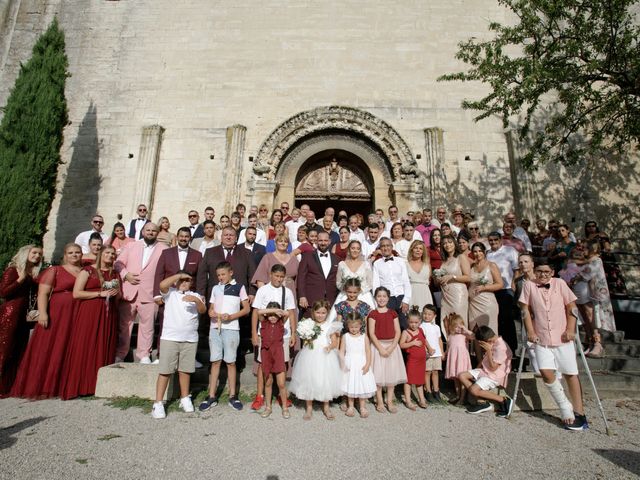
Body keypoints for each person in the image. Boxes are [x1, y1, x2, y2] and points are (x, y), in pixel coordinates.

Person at [519, 259, 588, 430]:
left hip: (562, 336)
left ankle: (579, 413)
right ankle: (565, 407)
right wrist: (530, 331)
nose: (543, 275)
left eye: (546, 272)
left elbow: (572, 307)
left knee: (570, 373)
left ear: (552, 272)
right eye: (540, 271)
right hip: (541, 337)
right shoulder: (529, 285)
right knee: (545, 372)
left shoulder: (560, 284)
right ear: (535, 271)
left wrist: (571, 329)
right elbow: (525, 310)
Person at [11, 244, 82, 399]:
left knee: (68, 346)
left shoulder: (84, 271)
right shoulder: (55, 270)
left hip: (77, 314)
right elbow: (43, 293)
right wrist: (43, 313)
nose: (74, 255)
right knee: (51, 346)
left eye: (77, 252)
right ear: (65, 255)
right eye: (71, 253)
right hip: (58, 313)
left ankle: (63, 384)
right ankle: (43, 385)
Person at [59, 246, 120, 400]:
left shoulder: (115, 274)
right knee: (86, 344)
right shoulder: (87, 271)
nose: (110, 255)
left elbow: (118, 295)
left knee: (103, 344)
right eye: (107, 253)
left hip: (108, 313)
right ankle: (80, 385)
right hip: (90, 312)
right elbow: (76, 293)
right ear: (100, 254)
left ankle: (98, 385)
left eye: (113, 254)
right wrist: (100, 293)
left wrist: (115, 293)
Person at [151, 272, 206, 419]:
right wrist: (178, 276)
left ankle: (184, 397)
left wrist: (196, 300)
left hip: (189, 339)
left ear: (192, 283)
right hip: (170, 338)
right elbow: (162, 285)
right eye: (181, 280)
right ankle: (158, 402)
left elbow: (203, 310)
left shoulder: (196, 295)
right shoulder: (171, 293)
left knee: (185, 370)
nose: (184, 283)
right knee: (165, 371)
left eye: (187, 281)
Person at [199, 262, 250, 412]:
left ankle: (233, 396)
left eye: (223, 274)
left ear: (231, 273)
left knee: (231, 362)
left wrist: (232, 316)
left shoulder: (239, 287)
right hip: (215, 329)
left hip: (232, 329)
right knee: (215, 361)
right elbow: (210, 309)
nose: (221, 277)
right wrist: (211, 313)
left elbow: (246, 309)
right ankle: (211, 395)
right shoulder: (215, 288)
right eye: (218, 275)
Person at [115, 222, 168, 363]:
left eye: (153, 231)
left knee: (148, 327)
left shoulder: (164, 249)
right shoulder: (131, 246)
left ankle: (144, 354)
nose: (150, 232)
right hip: (129, 292)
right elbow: (118, 263)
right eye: (148, 230)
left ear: (157, 233)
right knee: (124, 325)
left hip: (150, 294)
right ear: (143, 231)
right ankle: (120, 353)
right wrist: (126, 275)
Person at [250, 264, 297, 411]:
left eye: (281, 277)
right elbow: (255, 312)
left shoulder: (287, 292)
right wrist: (253, 333)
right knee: (262, 364)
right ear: (271, 275)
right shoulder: (263, 290)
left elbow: (291, 312)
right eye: (276, 276)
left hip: (283, 332)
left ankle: (280, 394)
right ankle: (260, 395)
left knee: (282, 364)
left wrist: (293, 333)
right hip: (264, 332)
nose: (279, 279)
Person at [288, 300, 343, 420]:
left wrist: (330, 347)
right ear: (313, 312)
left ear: (327, 313)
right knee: (309, 380)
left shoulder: (330, 325)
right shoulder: (308, 325)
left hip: (326, 356)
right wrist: (307, 338)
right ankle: (309, 408)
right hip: (310, 355)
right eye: (318, 312)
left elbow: (334, 342)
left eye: (323, 313)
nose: (320, 315)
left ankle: (326, 408)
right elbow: (306, 341)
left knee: (325, 381)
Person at [0, 245, 43, 394]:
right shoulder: (13, 270)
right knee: (4, 349)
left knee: (19, 350)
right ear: (26, 253)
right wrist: (20, 279)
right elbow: (4, 292)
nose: (37, 256)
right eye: (34, 252)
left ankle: (9, 387)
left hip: (24, 317)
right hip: (10, 314)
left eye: (39, 254)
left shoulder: (33, 274)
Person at [573, 239, 616, 358]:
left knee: (591, 316)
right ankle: (590, 342)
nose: (583, 250)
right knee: (584, 316)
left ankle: (598, 343)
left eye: (586, 248)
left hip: (591, 294)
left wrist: (575, 276)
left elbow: (588, 274)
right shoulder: (583, 260)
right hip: (580, 292)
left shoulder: (596, 260)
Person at [368, 286, 407, 413]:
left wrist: (391, 347)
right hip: (378, 347)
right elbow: (371, 333)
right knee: (378, 377)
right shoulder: (373, 314)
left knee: (391, 376)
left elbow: (398, 331)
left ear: (388, 298)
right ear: (375, 298)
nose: (382, 299)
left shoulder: (393, 313)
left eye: (384, 296)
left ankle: (389, 401)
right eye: (379, 296)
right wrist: (380, 348)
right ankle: (379, 401)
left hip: (392, 347)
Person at [459, 326, 513, 417]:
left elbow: (493, 368)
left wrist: (488, 351)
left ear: (488, 340)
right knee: (462, 375)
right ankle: (482, 402)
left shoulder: (501, 348)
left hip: (494, 375)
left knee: (473, 389)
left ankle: (503, 400)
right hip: (485, 370)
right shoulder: (493, 341)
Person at [197, 226, 257, 307]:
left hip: (240, 298)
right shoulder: (210, 252)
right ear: (221, 237)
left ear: (236, 238)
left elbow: (252, 275)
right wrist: (201, 294)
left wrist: (252, 293)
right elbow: (202, 275)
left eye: (231, 235)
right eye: (226, 235)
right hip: (215, 298)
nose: (228, 237)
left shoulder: (247, 253)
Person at [468, 242, 503, 359]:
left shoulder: (491, 265)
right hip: (473, 304)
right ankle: (479, 362)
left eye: (480, 251)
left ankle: (493, 360)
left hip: (487, 303)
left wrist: (485, 287)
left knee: (489, 332)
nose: (477, 254)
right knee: (475, 332)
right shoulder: (471, 267)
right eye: (475, 251)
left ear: (484, 252)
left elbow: (500, 284)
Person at [486, 231, 520, 353]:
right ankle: (499, 348)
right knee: (497, 319)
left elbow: (517, 269)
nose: (493, 242)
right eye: (491, 240)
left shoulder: (510, 250)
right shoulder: (488, 254)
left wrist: (513, 284)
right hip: (493, 290)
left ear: (500, 240)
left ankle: (512, 347)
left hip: (506, 289)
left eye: (495, 240)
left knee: (507, 319)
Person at [256, 302, 290, 419]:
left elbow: (288, 313)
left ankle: (285, 407)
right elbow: (258, 312)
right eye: (270, 315)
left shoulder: (281, 323)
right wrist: (270, 312)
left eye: (275, 315)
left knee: (281, 383)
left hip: (278, 354)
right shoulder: (264, 322)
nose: (272, 317)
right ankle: (268, 407)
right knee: (268, 382)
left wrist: (277, 312)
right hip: (266, 354)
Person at [339, 312, 377, 418]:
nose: (354, 329)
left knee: (362, 385)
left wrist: (368, 364)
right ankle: (350, 406)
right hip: (349, 363)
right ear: (348, 326)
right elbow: (341, 351)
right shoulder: (345, 336)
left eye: (356, 327)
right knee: (350, 384)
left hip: (361, 363)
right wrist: (343, 363)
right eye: (351, 327)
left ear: (360, 325)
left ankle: (362, 407)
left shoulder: (364, 337)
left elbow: (368, 352)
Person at [297, 231, 340, 317]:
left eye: (325, 240)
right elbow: (301, 277)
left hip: (331, 300)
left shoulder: (336, 259)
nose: (323, 243)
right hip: (311, 300)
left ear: (329, 241)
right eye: (320, 240)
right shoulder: (307, 257)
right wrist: (302, 296)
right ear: (316, 241)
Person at [372, 238, 412, 329]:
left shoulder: (400, 261)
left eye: (388, 245)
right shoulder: (377, 264)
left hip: (401, 297)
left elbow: (406, 281)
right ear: (380, 248)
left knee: (404, 326)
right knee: (390, 326)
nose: (386, 248)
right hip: (387, 299)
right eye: (383, 246)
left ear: (392, 246)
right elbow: (376, 285)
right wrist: (378, 302)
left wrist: (406, 300)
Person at [436, 235, 470, 337]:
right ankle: (451, 349)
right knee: (446, 323)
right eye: (445, 243)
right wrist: (438, 279)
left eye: (450, 242)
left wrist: (452, 277)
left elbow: (468, 277)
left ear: (454, 244)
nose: (447, 245)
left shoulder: (461, 257)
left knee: (458, 323)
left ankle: (462, 350)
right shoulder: (444, 261)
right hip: (445, 295)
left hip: (458, 295)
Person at [252, 234, 299, 301]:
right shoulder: (268, 257)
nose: (283, 243)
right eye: (280, 241)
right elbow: (260, 280)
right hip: (271, 294)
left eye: (285, 242)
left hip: (290, 294)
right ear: (275, 243)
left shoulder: (294, 259)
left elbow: (298, 281)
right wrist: (265, 296)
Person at [399, 307, 428, 410]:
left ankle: (422, 399)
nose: (413, 325)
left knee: (420, 380)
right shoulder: (406, 332)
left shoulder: (421, 330)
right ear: (407, 321)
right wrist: (412, 343)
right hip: (412, 360)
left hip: (421, 360)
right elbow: (401, 345)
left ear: (420, 322)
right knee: (409, 381)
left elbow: (425, 340)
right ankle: (408, 400)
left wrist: (429, 348)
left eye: (416, 322)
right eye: (411, 322)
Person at [443, 313, 473, 404]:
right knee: (456, 378)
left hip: (462, 359)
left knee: (462, 378)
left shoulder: (465, 336)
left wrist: (465, 329)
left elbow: (473, 336)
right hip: (453, 359)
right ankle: (458, 395)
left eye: (460, 326)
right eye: (456, 326)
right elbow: (448, 348)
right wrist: (445, 354)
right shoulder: (450, 336)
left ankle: (462, 398)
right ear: (451, 327)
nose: (458, 329)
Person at [420, 305, 444, 404]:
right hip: (427, 353)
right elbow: (423, 339)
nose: (426, 316)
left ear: (434, 316)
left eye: (429, 314)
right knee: (427, 372)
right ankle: (428, 391)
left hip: (437, 353)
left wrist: (442, 352)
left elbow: (439, 340)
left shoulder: (436, 327)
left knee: (435, 372)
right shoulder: (421, 326)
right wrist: (428, 349)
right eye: (425, 313)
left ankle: (436, 390)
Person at [406, 240, 432, 311]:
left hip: (425, 294)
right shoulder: (406, 264)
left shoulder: (427, 265)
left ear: (423, 251)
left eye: (420, 249)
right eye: (416, 248)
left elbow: (429, 281)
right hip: (411, 294)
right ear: (412, 250)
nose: (418, 250)